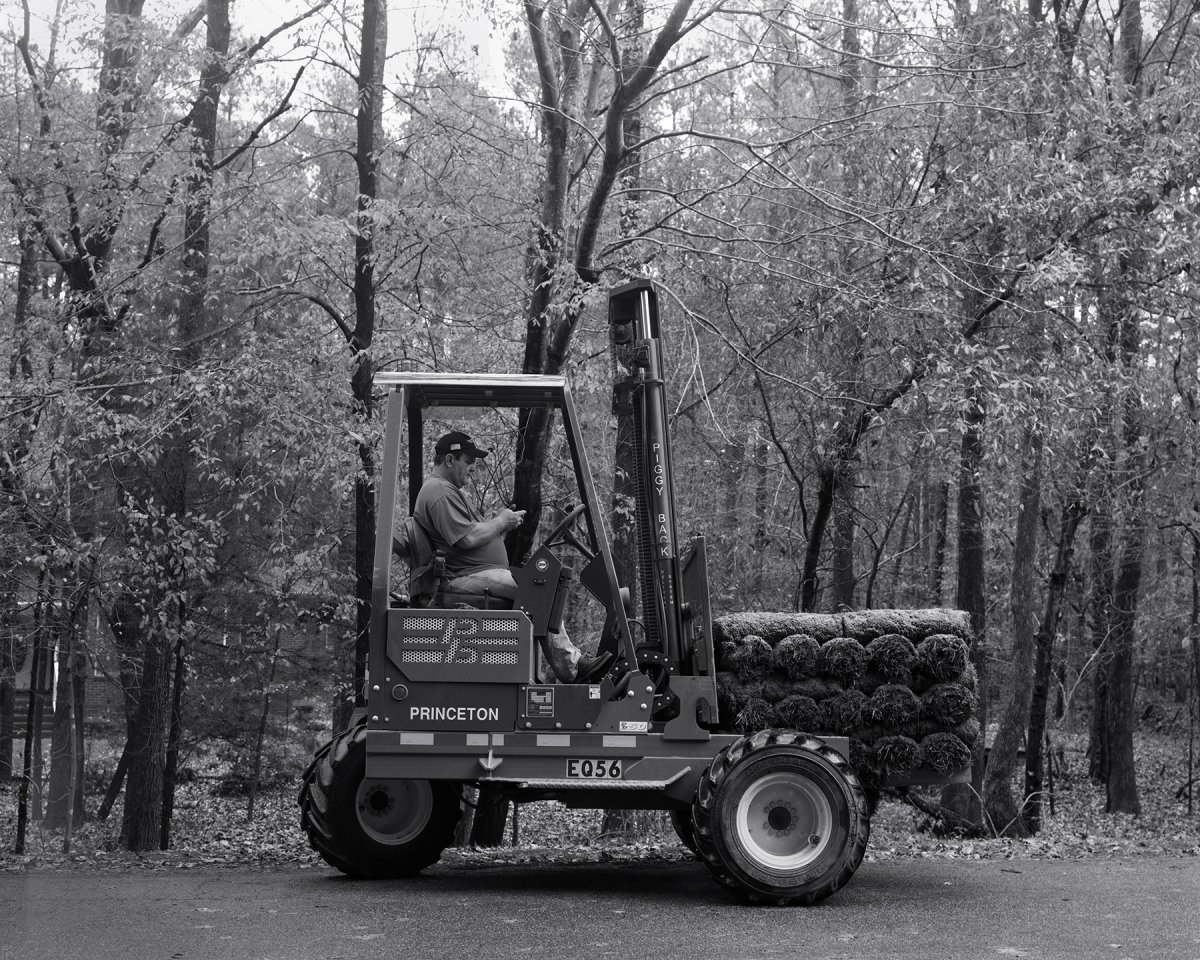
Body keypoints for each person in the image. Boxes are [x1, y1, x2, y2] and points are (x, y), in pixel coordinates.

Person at [413, 431, 610, 683]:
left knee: (542, 584)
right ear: (450, 460)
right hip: (463, 577)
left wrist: (500, 522)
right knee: (539, 589)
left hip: (475, 573)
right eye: (469, 461)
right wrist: (501, 522)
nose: (472, 468)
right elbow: (467, 538)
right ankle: (572, 668)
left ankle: (563, 666)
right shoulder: (439, 492)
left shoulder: (443, 490)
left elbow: (468, 533)